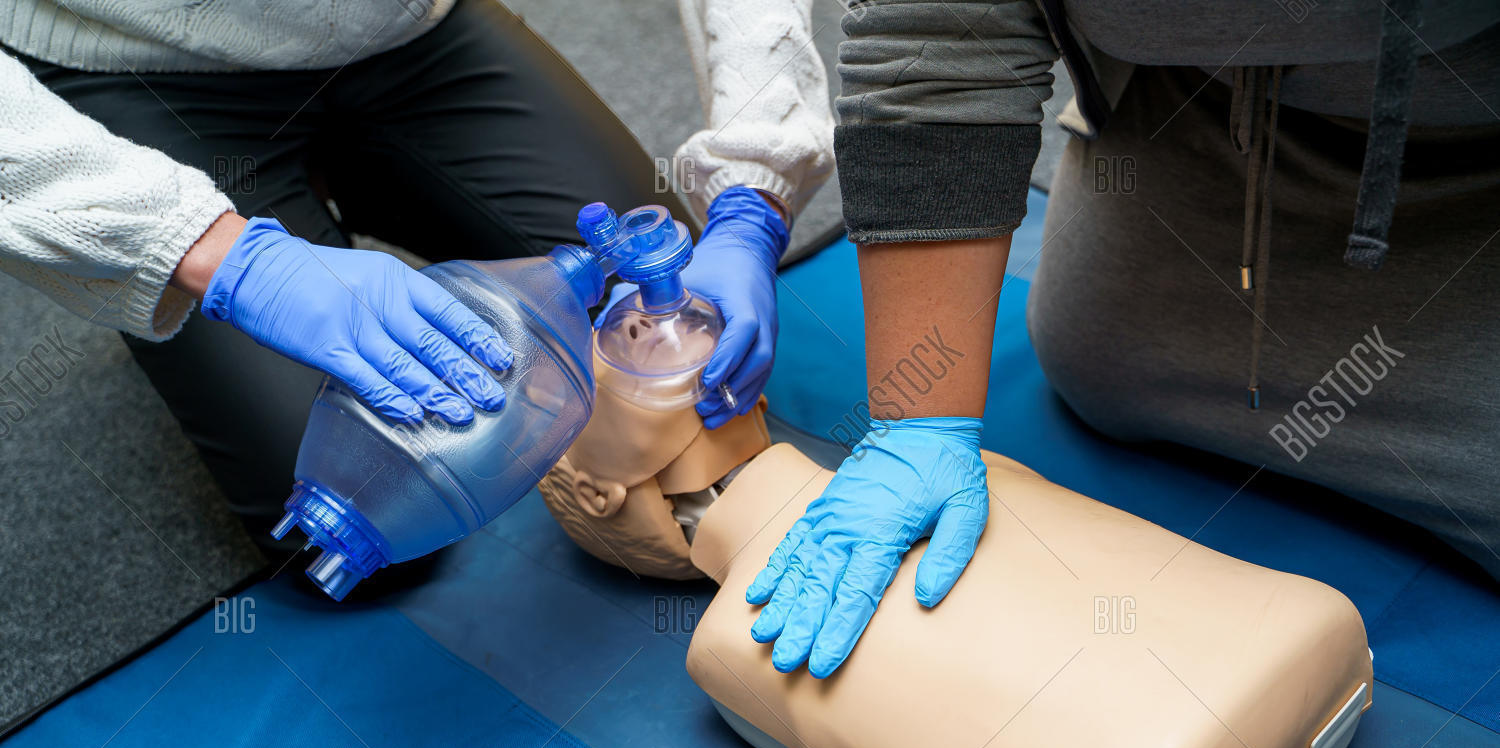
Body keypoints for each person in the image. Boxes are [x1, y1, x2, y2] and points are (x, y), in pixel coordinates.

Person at [749, 0, 1500, 678]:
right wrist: (917, 426)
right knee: (1101, 363)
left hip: (1467, 175)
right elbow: (942, 27)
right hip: (1196, 120)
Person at [0, 0, 833, 552]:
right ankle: (217, 236)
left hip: (405, 34)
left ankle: (346, 192)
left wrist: (753, 190)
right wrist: (204, 250)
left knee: (669, 305)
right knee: (341, 518)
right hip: (128, 62)